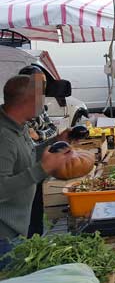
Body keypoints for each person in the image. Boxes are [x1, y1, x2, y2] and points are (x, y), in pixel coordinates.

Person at [1, 76, 72, 255]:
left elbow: (28, 155)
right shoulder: (3, 136)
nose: (44, 103)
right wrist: (41, 170)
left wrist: (56, 141)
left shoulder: (19, 125)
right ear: (28, 101)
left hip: (17, 228)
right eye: (41, 97)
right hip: (4, 236)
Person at [18, 66, 63, 237]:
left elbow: (52, 129)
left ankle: (35, 238)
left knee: (37, 206)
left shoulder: (40, 106)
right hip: (24, 166)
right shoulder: (16, 108)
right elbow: (22, 139)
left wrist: (38, 134)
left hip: (39, 162)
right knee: (25, 208)